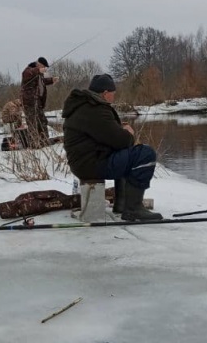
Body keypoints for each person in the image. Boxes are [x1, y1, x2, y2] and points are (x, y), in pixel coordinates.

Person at [62, 73, 163, 222]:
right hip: (92, 164)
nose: (114, 97)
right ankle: (133, 209)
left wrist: (117, 130)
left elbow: (102, 133)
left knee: (125, 154)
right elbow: (121, 141)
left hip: (83, 162)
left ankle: (122, 205)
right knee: (145, 154)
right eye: (113, 93)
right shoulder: (96, 109)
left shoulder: (84, 106)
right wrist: (128, 133)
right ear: (105, 93)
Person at [20, 57, 58, 147]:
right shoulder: (28, 70)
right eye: (44, 66)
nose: (45, 68)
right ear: (38, 64)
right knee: (33, 122)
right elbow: (26, 74)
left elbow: (42, 82)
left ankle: (44, 141)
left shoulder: (39, 73)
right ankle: (34, 143)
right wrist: (38, 70)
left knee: (43, 121)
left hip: (38, 102)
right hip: (29, 102)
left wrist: (51, 80)